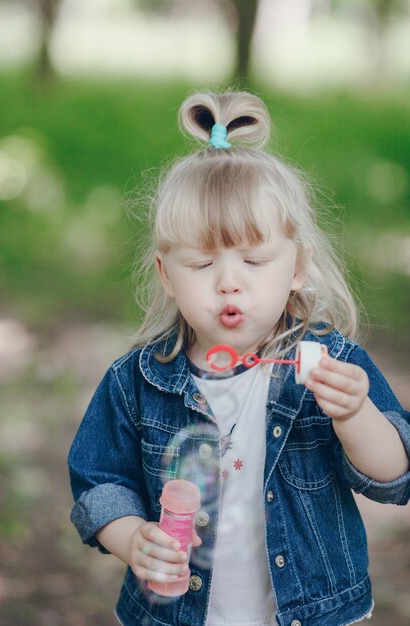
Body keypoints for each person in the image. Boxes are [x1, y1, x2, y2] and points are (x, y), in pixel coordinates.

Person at [68, 91, 410, 626]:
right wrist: (132, 539)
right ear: (166, 275)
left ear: (297, 266)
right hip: (178, 612)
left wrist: (353, 414)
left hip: (308, 612)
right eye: (203, 264)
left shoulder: (330, 364)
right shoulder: (137, 381)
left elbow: (394, 477)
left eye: (254, 260)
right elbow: (99, 482)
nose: (230, 282)